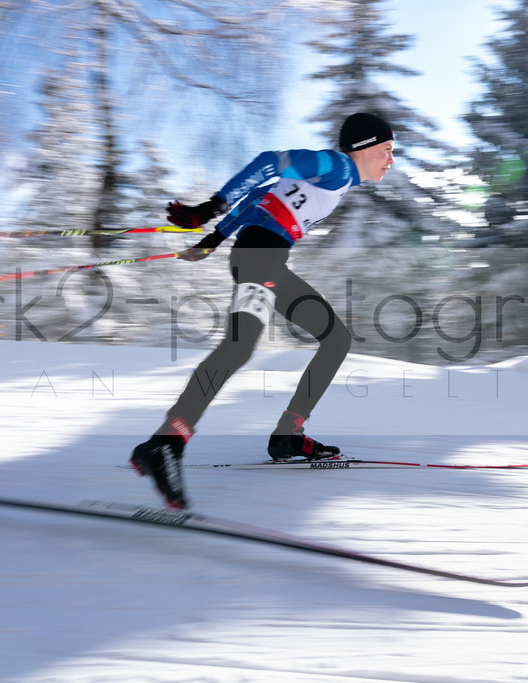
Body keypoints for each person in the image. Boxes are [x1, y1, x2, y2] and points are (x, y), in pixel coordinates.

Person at [130, 113, 395, 509]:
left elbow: (264, 193)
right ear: (363, 147)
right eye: (387, 150)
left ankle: (289, 433)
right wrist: (211, 207)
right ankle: (166, 443)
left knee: (336, 338)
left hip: (266, 259)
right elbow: (269, 161)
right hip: (260, 258)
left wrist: (213, 238)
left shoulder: (338, 180)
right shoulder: (336, 166)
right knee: (239, 347)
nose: (391, 160)